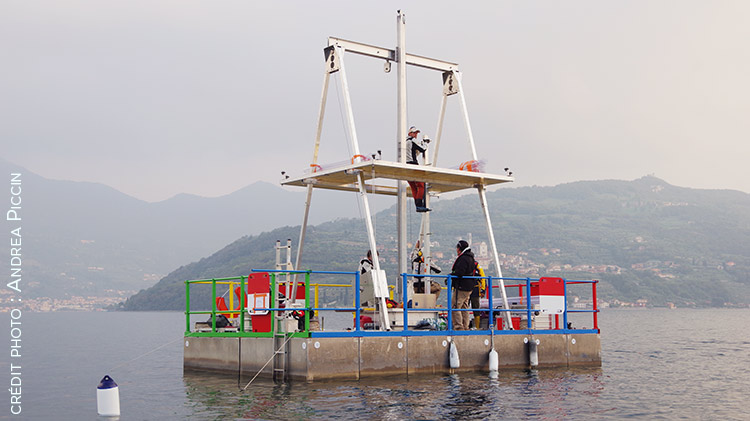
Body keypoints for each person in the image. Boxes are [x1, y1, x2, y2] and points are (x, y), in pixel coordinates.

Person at [450, 240, 476, 330]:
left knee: (455, 306)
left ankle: (458, 326)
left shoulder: (463, 258)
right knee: (464, 307)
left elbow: (460, 272)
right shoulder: (471, 257)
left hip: (462, 286)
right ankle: (465, 326)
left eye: (457, 248)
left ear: (460, 249)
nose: (456, 250)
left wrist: (451, 276)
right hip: (469, 286)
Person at [405, 126, 431, 212]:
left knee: (413, 186)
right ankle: (419, 205)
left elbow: (415, 152)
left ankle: (417, 206)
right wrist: (426, 143)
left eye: (416, 133)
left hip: (406, 166)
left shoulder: (405, 142)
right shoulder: (412, 140)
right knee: (420, 185)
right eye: (414, 133)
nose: (415, 134)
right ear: (410, 133)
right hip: (413, 164)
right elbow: (423, 149)